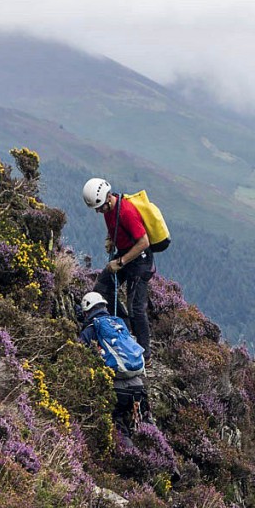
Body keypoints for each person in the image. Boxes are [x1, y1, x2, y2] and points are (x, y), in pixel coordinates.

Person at [82, 177, 153, 358]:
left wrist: (120, 262)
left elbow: (144, 242)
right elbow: (113, 227)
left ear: (107, 199)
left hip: (140, 261)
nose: (98, 212)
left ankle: (144, 353)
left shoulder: (126, 211)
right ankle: (124, 326)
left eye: (99, 207)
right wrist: (110, 240)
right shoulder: (109, 210)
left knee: (136, 307)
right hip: (124, 253)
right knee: (102, 288)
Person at [78, 291, 150, 434]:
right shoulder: (118, 324)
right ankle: (156, 452)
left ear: (86, 312)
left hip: (117, 388)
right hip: (138, 385)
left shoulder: (90, 330)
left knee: (119, 428)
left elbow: (78, 356)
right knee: (145, 427)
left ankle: (129, 454)